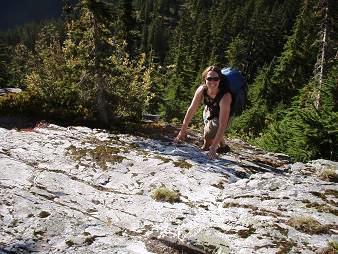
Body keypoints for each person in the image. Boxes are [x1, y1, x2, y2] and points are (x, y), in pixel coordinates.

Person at [175, 65, 232, 159]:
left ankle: (213, 145)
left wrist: (213, 148)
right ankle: (223, 146)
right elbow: (192, 109)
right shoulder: (202, 90)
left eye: (216, 79)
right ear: (205, 79)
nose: (212, 82)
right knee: (209, 135)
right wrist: (182, 132)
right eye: (209, 78)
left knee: (209, 135)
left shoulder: (225, 96)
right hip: (210, 109)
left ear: (220, 80)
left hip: (225, 115)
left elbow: (222, 124)